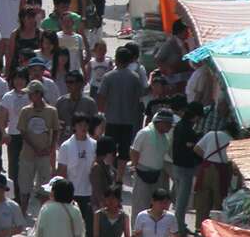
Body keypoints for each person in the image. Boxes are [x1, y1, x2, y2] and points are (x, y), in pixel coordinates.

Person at [98, 47, 145, 182]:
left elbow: (101, 96)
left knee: (109, 149)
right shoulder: (134, 77)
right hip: (128, 120)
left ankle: (110, 175)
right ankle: (119, 177)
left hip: (111, 119)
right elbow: (139, 97)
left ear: (117, 60)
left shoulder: (108, 77)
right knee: (124, 151)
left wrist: (101, 113)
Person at [16, 79, 60, 215]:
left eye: (31, 94)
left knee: (44, 185)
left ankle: (43, 212)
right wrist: (35, 147)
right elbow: (23, 132)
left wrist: (51, 147)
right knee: (25, 185)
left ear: (39, 94)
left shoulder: (51, 111)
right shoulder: (25, 111)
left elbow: (56, 129)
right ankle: (23, 211)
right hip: (28, 154)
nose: (29, 97)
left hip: (44, 154)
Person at [57, 113, 97, 237]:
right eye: (80, 125)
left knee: (90, 225)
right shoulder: (66, 146)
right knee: (71, 225)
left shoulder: (94, 145)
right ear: (74, 127)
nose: (83, 127)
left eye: (86, 125)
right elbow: (61, 171)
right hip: (72, 193)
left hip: (89, 192)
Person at [130, 110, 175, 220]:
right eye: (168, 124)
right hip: (142, 173)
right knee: (140, 206)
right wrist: (136, 168)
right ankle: (137, 235)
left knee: (157, 207)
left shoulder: (165, 138)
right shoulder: (144, 133)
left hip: (157, 174)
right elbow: (134, 151)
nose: (170, 127)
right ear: (160, 123)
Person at [193, 121, 237, 232]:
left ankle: (199, 226)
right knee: (218, 200)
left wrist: (207, 157)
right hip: (221, 170)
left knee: (202, 198)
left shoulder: (211, 134)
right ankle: (216, 228)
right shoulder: (232, 140)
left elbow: (196, 149)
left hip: (206, 167)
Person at [172, 100, 204, 237]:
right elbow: (191, 148)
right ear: (195, 116)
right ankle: (179, 230)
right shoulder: (186, 129)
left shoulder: (182, 126)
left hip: (179, 167)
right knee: (182, 202)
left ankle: (181, 227)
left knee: (181, 200)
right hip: (184, 168)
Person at [0, 68, 30, 203]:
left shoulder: (31, 95)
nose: (19, 81)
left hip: (29, 136)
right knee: (14, 168)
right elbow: (2, 118)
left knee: (27, 167)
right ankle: (14, 197)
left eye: (22, 78)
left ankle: (26, 195)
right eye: (16, 78)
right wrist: (4, 133)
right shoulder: (8, 97)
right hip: (13, 135)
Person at [56, 71, 96, 141]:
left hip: (84, 141)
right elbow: (55, 123)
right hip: (65, 141)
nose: (68, 84)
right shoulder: (60, 102)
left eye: (71, 82)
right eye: (66, 82)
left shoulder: (90, 103)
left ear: (80, 84)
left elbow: (95, 125)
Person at [90, 135, 117, 211]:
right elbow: (98, 193)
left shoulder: (108, 168)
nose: (114, 157)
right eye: (113, 154)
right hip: (97, 209)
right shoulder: (96, 168)